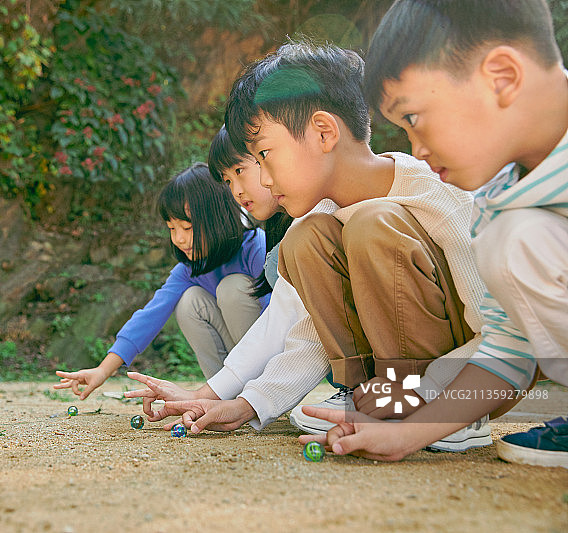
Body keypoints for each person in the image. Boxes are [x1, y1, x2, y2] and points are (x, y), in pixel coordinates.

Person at [129, 40, 491, 452]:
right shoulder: (319, 222)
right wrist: (247, 404)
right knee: (305, 238)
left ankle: (428, 408)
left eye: (265, 154)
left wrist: (430, 395)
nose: (264, 179)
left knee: (372, 224)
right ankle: (364, 394)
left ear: (323, 132)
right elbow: (310, 331)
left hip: (454, 384)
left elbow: (499, 332)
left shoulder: (435, 195)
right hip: (390, 389)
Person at [298, 0, 568, 468]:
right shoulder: (502, 201)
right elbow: (509, 350)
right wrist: (406, 432)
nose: (416, 148)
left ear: (502, 77)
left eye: (413, 118)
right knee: (515, 240)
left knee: (518, 241)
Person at [54, 163, 268, 399]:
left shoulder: (256, 247)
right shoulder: (190, 269)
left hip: (269, 361)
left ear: (218, 219)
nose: (179, 239)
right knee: (189, 301)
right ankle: (221, 396)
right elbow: (150, 315)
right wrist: (103, 370)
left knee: (233, 287)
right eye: (172, 228)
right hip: (235, 371)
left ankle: (259, 394)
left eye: (187, 227)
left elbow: (280, 317)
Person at [208, 124, 293, 296]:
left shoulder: (312, 223)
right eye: (228, 181)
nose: (236, 191)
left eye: (239, 171)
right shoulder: (277, 228)